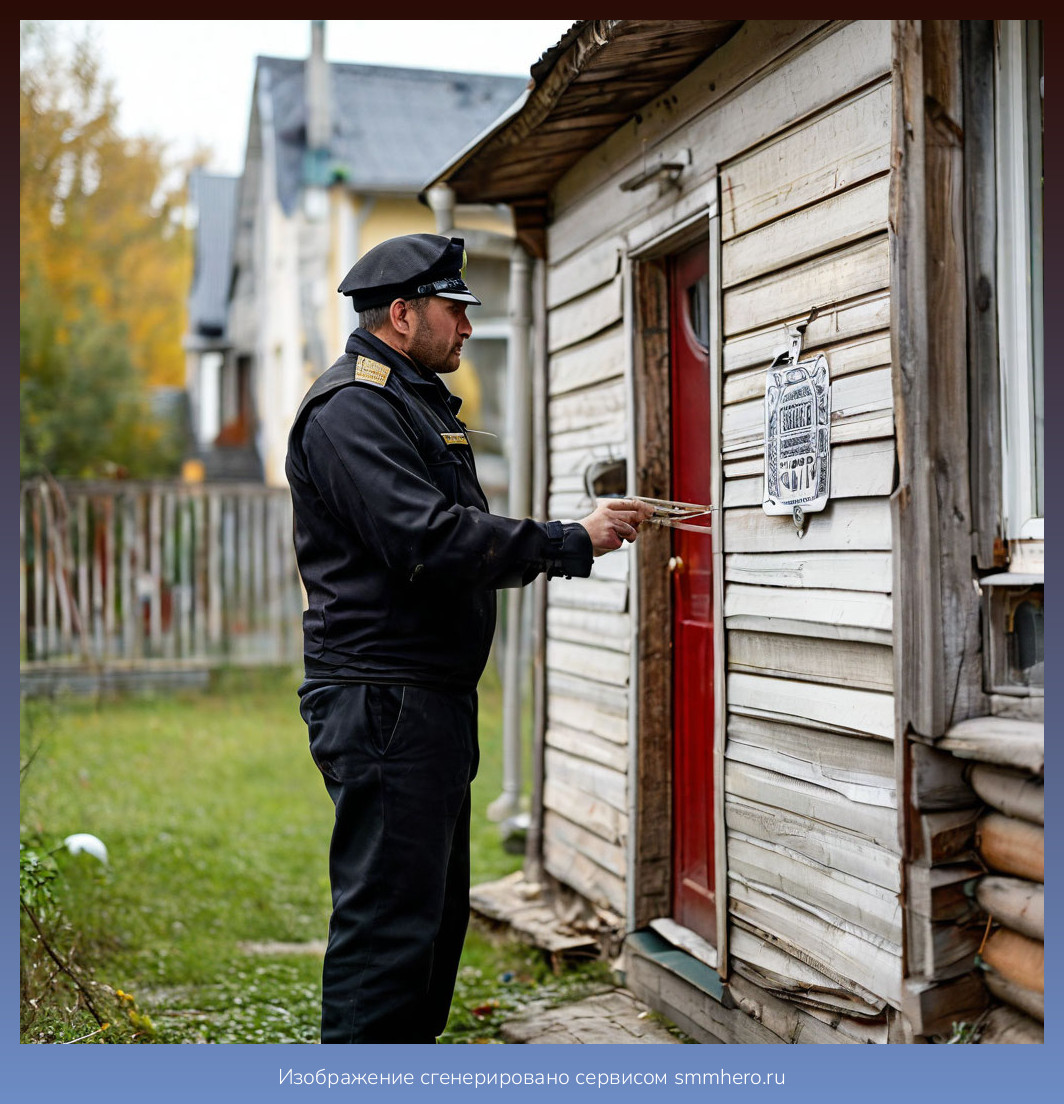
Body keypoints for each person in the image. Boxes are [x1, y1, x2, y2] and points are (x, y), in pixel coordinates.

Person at [285, 232, 653, 1044]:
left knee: (430, 927)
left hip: (424, 702)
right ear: (403, 314)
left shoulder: (406, 402)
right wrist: (570, 540)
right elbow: (430, 539)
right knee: (388, 932)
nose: (467, 327)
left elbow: (454, 532)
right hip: (385, 702)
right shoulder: (352, 410)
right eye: (454, 310)